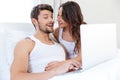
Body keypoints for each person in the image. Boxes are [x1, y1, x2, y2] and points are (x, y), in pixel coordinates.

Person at [11, 4, 81, 80]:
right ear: (35, 21)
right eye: (45, 17)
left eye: (51, 17)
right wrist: (54, 72)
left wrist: (70, 69)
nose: (51, 20)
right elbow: (16, 77)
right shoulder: (26, 44)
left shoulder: (61, 47)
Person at [45, 1, 86, 71]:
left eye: (62, 16)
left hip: (80, 65)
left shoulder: (83, 30)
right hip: (68, 66)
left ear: (71, 16)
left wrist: (61, 64)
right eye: (58, 15)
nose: (58, 19)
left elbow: (81, 58)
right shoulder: (58, 32)